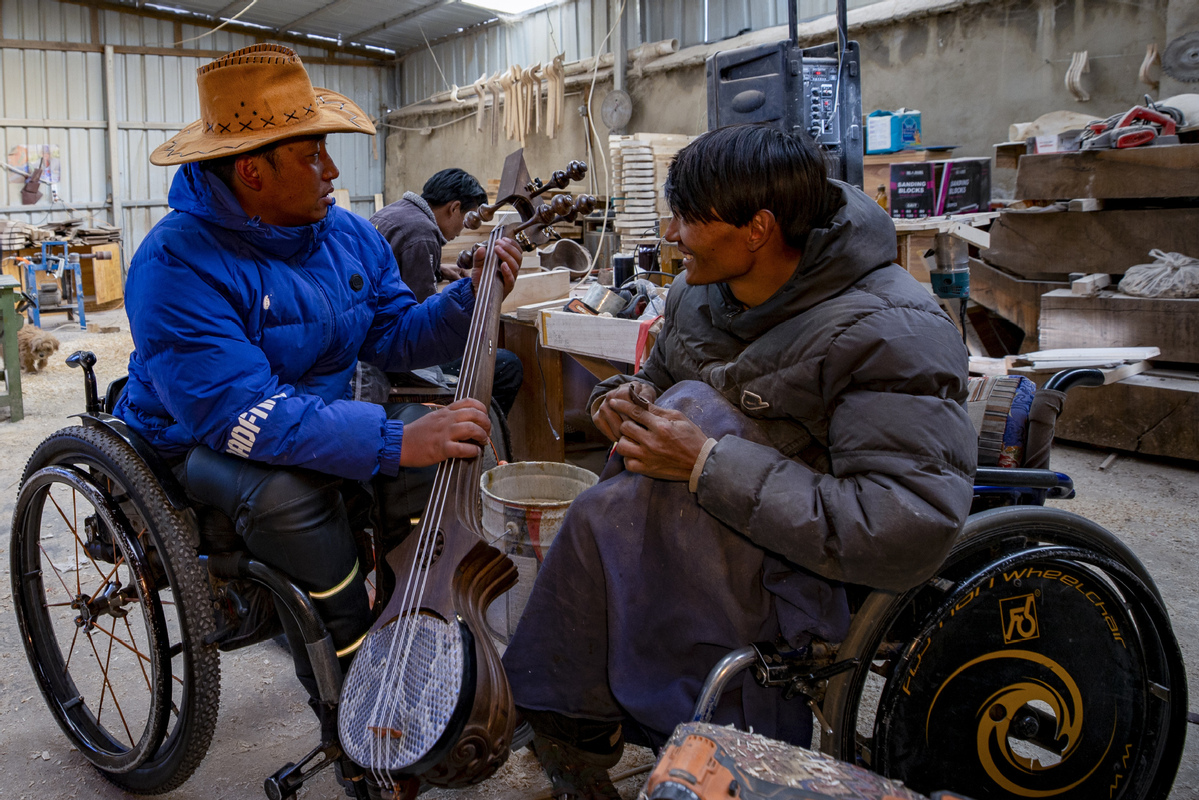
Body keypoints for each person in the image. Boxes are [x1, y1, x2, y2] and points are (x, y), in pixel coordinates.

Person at [501, 124, 977, 799]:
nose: (670, 233)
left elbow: (902, 525)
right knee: (607, 506)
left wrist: (706, 463)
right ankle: (572, 714)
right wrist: (620, 398)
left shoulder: (892, 329)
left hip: (811, 566)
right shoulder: (699, 295)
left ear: (756, 229)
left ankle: (669, 736)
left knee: (644, 477)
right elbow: (660, 384)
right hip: (698, 522)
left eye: (689, 218)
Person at [114, 43, 522, 750]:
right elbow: (236, 415)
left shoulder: (343, 236)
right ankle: (354, 704)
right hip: (197, 440)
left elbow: (394, 335)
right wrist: (390, 440)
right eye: (312, 156)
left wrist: (468, 299)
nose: (332, 171)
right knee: (290, 495)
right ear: (252, 170)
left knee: (438, 449)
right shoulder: (175, 264)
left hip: (308, 416)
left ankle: (415, 637)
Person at [370, 168, 524, 415]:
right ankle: (477, 438)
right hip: (392, 357)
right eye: (467, 221)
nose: (461, 232)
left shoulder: (395, 212)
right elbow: (421, 326)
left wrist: (438, 270)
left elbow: (393, 266)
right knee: (507, 365)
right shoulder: (422, 234)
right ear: (454, 208)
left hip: (374, 341)